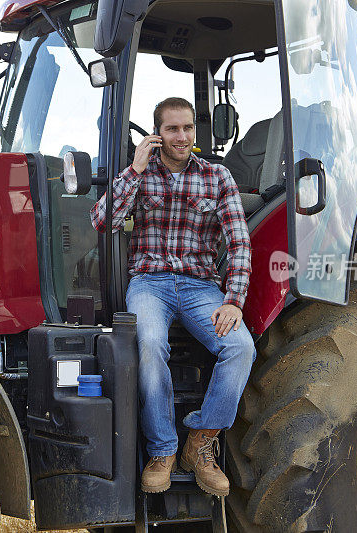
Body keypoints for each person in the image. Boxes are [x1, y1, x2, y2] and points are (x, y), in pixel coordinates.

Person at [90, 97, 255, 496]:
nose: (181, 137)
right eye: (172, 129)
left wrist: (233, 299)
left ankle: (199, 444)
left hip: (201, 286)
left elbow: (239, 243)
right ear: (157, 134)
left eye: (187, 129)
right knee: (148, 343)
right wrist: (134, 168)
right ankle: (163, 450)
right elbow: (101, 221)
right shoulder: (139, 176)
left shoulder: (218, 178)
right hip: (149, 283)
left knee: (241, 347)